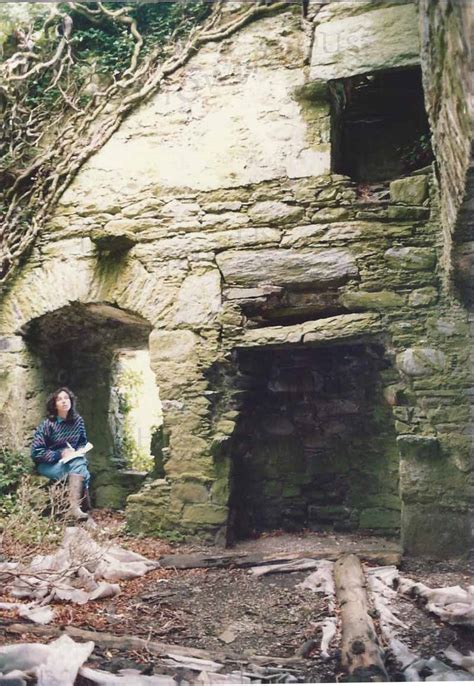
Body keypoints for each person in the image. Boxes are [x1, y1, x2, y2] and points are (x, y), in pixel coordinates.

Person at [31, 387, 91, 521]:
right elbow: (36, 452)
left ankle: (75, 509)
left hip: (72, 462)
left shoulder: (78, 421)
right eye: (60, 399)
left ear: (71, 402)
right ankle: (81, 508)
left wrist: (79, 451)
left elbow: (82, 442)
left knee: (80, 464)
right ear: (54, 405)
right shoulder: (48, 425)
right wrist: (60, 454)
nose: (64, 401)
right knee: (83, 471)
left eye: (66, 398)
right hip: (48, 465)